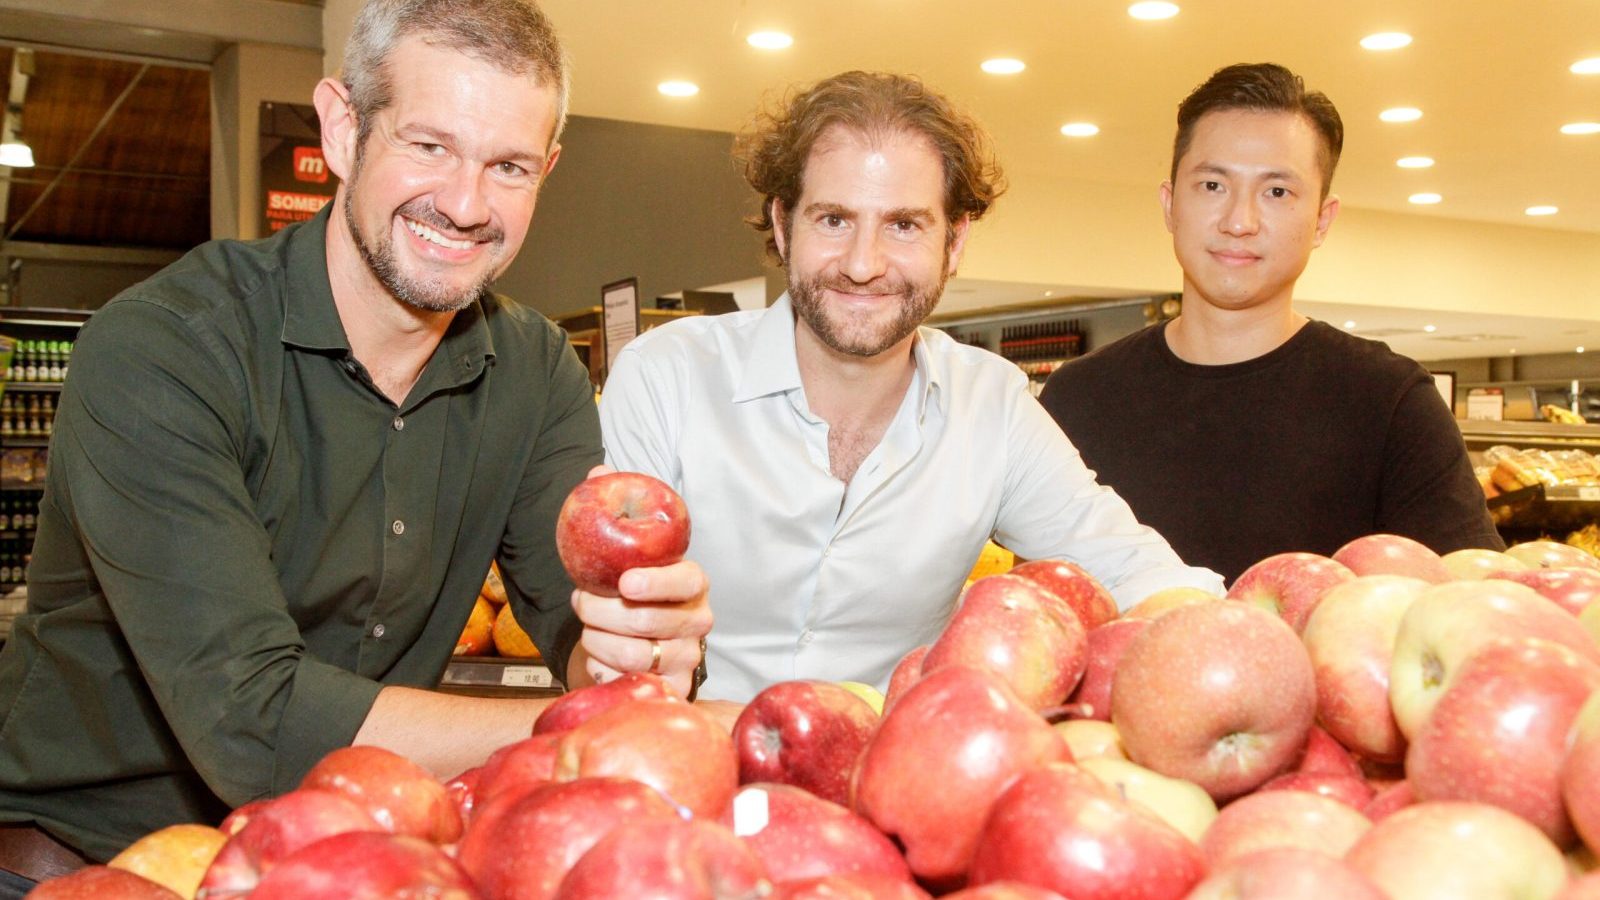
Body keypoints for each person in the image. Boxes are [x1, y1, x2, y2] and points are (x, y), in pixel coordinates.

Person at [0, 0, 710, 885]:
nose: (465, 203)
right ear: (342, 128)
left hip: (361, 857)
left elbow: (576, 626)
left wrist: (632, 647)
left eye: (510, 166)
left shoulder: (535, 370)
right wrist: (587, 734)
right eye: (429, 145)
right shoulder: (165, 348)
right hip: (89, 867)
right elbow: (253, 726)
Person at [599, 71, 1223, 703]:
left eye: (903, 225)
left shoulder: (992, 406)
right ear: (784, 226)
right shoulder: (667, 377)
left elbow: (1131, 568)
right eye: (835, 219)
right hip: (684, 762)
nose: (864, 264)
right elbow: (610, 625)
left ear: (954, 241)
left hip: (892, 782)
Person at [1039, 63, 1502, 585]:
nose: (1240, 221)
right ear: (1170, 205)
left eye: (1277, 192)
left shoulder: (1389, 401)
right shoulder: (1078, 398)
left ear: (1322, 220)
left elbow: (1469, 606)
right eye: (1212, 185)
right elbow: (1046, 607)